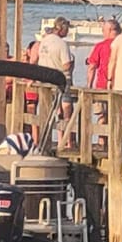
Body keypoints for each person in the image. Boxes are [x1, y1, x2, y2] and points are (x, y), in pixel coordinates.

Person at [38, 16, 75, 147]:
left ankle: (58, 140)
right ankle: (68, 142)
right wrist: (72, 63)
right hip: (61, 80)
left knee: (54, 110)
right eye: (67, 30)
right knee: (66, 110)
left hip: (46, 80)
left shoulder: (44, 41)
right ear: (62, 29)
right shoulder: (62, 44)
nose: (68, 32)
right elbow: (66, 64)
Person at [86, 19, 120, 144]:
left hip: (102, 85)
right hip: (120, 86)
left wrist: (89, 86)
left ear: (110, 30)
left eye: (103, 30)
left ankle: (102, 142)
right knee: (118, 116)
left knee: (102, 115)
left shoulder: (100, 46)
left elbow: (92, 67)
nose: (102, 33)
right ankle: (116, 143)